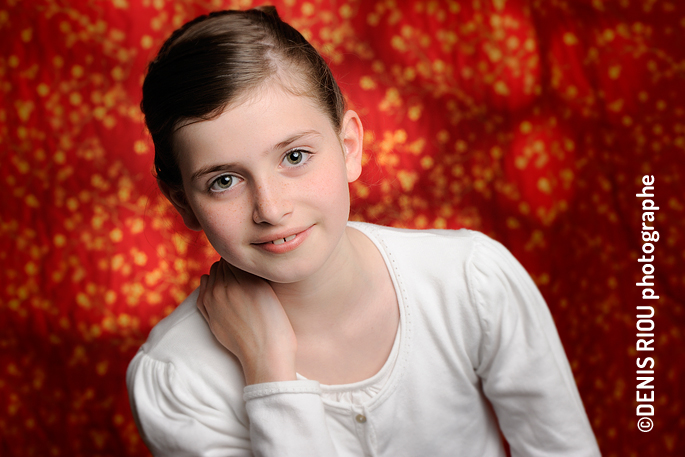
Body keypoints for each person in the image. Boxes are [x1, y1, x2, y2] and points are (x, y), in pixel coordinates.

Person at [126, 6, 601, 456]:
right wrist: (270, 374)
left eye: (295, 156)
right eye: (224, 181)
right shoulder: (177, 377)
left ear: (349, 146)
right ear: (184, 203)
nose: (271, 209)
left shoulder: (469, 282)